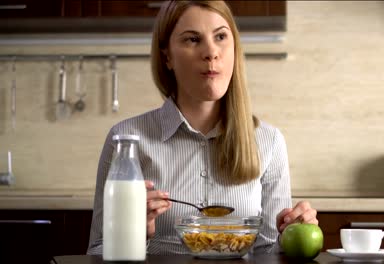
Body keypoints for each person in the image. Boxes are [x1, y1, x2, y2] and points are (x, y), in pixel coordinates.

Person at [87, 0, 318, 255]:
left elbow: (268, 253)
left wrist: (292, 235)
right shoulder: (126, 141)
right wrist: (135, 233)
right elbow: (97, 252)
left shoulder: (269, 141)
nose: (211, 52)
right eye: (192, 40)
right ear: (167, 56)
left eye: (220, 36)